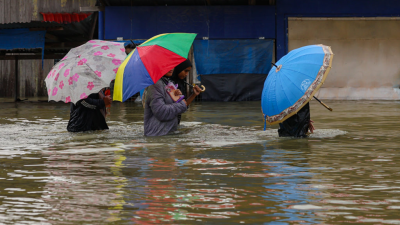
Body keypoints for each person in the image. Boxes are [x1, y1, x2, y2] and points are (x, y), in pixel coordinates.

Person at [143, 69, 188, 136]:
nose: (171, 68)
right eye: (166, 65)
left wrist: (177, 98)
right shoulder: (155, 85)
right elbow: (161, 112)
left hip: (167, 134)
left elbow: (171, 108)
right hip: (157, 138)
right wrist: (181, 105)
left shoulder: (166, 82)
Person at [170, 59, 201, 123]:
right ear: (179, 68)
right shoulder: (168, 84)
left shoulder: (181, 83)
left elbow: (184, 105)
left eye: (188, 71)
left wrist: (194, 94)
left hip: (175, 122)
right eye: (185, 71)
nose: (186, 74)